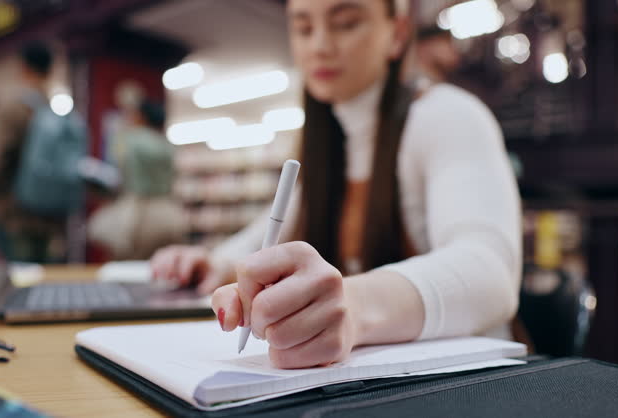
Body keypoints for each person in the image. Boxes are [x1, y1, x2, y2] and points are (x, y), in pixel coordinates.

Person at [151, 0, 521, 369]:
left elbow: (490, 271)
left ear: (397, 34)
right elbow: (263, 237)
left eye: (345, 23)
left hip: (467, 385)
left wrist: (355, 305)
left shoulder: (449, 115)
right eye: (303, 27)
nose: (320, 46)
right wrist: (215, 264)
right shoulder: (325, 145)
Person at [0, 41, 66, 262]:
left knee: (13, 286)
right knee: (42, 283)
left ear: (23, 66)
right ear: (50, 69)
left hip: (12, 215)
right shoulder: (52, 108)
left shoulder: (13, 104)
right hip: (48, 217)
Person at [88, 82, 184, 259]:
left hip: (138, 216)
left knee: (128, 265)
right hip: (169, 212)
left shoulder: (128, 140)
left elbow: (120, 177)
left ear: (140, 116)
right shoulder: (166, 145)